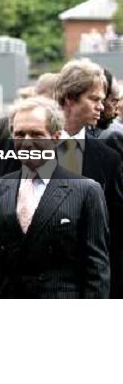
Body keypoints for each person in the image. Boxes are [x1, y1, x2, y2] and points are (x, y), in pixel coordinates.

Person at [0, 96, 110, 298]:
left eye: (37, 134)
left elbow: (96, 269)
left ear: (56, 138)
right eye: (20, 134)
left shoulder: (86, 191)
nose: (27, 142)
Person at [54, 59, 123, 297]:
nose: (101, 107)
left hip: (89, 286)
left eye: (102, 100)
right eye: (94, 99)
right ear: (70, 98)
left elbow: (114, 230)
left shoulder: (108, 159)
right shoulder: (30, 150)